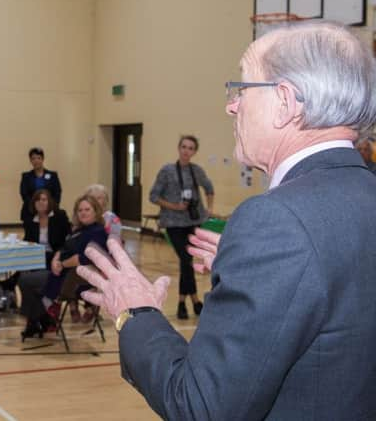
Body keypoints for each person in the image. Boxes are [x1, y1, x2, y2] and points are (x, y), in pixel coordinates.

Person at [78, 21, 376, 420]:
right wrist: (264, 273)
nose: (231, 106)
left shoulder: (277, 220)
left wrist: (137, 313)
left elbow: (202, 406)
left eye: (243, 89)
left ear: (285, 102)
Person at [149, 135, 214, 319]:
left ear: (194, 152)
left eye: (191, 148)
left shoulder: (197, 171)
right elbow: (153, 196)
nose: (186, 151)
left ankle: (186, 303)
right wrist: (174, 206)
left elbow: (209, 188)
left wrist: (209, 209)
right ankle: (190, 301)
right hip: (173, 223)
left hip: (193, 222)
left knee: (186, 262)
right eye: (184, 147)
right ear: (179, 148)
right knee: (186, 259)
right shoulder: (167, 171)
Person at [25, 195, 107, 335]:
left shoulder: (97, 232)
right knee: (25, 279)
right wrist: (56, 258)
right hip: (62, 272)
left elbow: (83, 259)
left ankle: (42, 317)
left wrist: (61, 264)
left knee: (28, 281)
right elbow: (64, 247)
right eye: (80, 210)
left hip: (75, 280)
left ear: (96, 212)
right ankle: (41, 318)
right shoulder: (79, 230)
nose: (83, 212)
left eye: (87, 209)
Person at [18, 189, 71, 339]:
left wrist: (57, 257)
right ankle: (38, 319)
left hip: (55, 256)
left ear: (50, 202)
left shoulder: (59, 216)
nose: (41, 203)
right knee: (23, 276)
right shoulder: (30, 220)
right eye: (38, 200)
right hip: (37, 256)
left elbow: (66, 242)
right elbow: (29, 239)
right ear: (33, 203)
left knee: (28, 280)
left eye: (44, 199)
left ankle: (34, 320)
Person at [19, 147, 62, 223]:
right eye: (33, 158)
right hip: (30, 212)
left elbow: (57, 193)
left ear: (43, 159)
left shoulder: (53, 175)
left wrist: (49, 207)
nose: (36, 161)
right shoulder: (26, 176)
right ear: (30, 160)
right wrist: (35, 207)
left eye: (38, 158)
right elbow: (24, 194)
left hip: (50, 211)